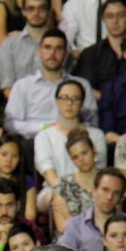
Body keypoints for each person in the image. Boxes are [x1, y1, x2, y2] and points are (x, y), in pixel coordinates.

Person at [4, 29, 98, 139]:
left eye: (58, 49)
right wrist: (44, 127)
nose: (52, 54)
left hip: (73, 142)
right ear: (39, 51)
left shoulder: (81, 85)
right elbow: (10, 124)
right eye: (47, 48)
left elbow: (92, 123)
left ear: (66, 54)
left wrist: (71, 129)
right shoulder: (23, 86)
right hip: (33, 143)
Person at [33, 80, 105, 212]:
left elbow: (99, 172)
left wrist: (85, 192)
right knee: (58, 199)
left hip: (91, 188)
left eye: (75, 98)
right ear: (56, 101)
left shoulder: (97, 135)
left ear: (82, 103)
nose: (69, 103)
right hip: (55, 190)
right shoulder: (44, 137)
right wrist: (73, 195)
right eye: (64, 98)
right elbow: (49, 174)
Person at [59, 167, 126, 251]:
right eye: (105, 190)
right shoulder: (75, 225)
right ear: (94, 191)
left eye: (116, 193)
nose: (109, 197)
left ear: (122, 198)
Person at [73, 0, 126, 101]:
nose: (115, 21)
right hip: (99, 111)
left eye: (121, 15)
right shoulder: (90, 54)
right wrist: (108, 100)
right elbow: (85, 87)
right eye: (109, 16)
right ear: (103, 19)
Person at [0, 0, 51, 100]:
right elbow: (7, 88)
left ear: (49, 11)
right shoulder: (9, 45)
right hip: (20, 109)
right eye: (31, 9)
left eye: (41, 8)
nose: (36, 14)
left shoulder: (61, 45)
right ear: (23, 12)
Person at [51, 129, 99, 238]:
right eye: (75, 157)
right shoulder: (62, 184)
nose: (81, 159)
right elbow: (61, 227)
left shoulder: (108, 180)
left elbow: (113, 221)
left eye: (84, 153)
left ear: (94, 151)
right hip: (70, 243)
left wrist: (70, 218)